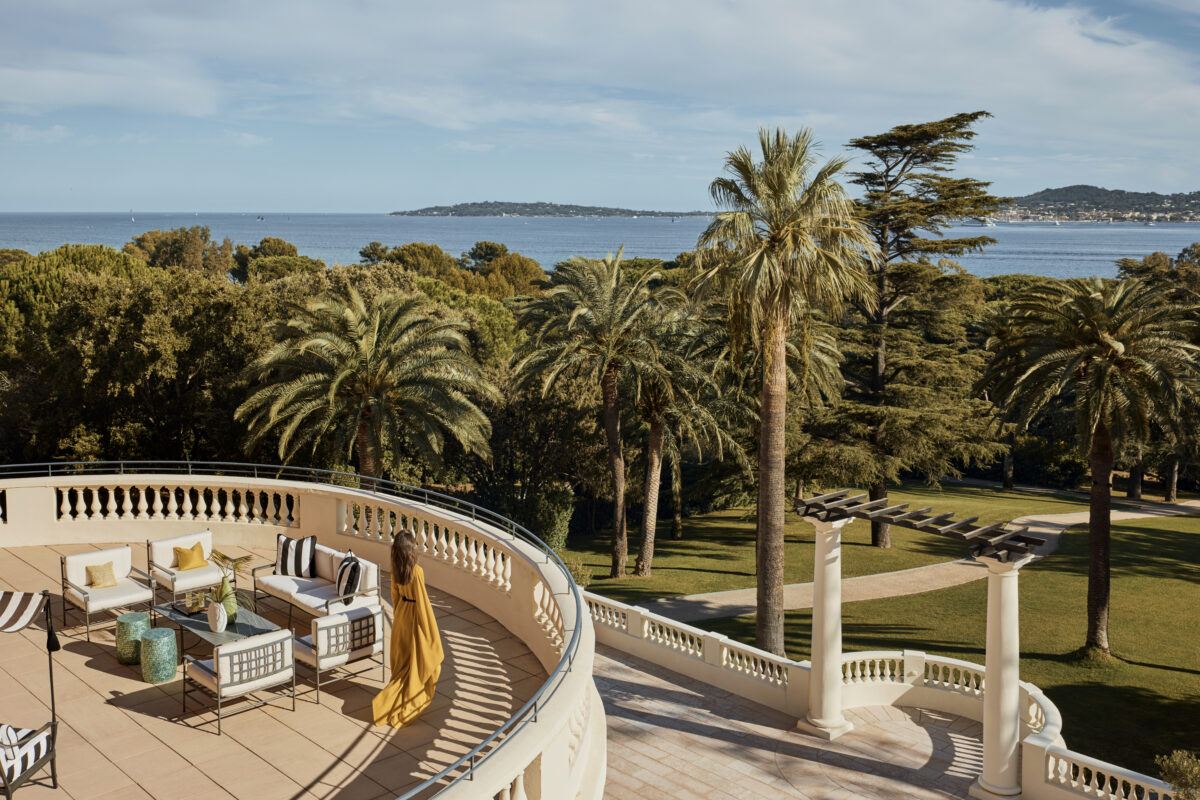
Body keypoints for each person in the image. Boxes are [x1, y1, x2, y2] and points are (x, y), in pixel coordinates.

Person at [372, 533, 444, 727]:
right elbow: (422, 602)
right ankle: (397, 701)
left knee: (403, 662)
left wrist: (398, 619)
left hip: (402, 615)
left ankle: (391, 699)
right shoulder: (417, 572)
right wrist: (428, 631)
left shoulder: (395, 569)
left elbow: (395, 597)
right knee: (421, 662)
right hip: (414, 617)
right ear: (411, 550)